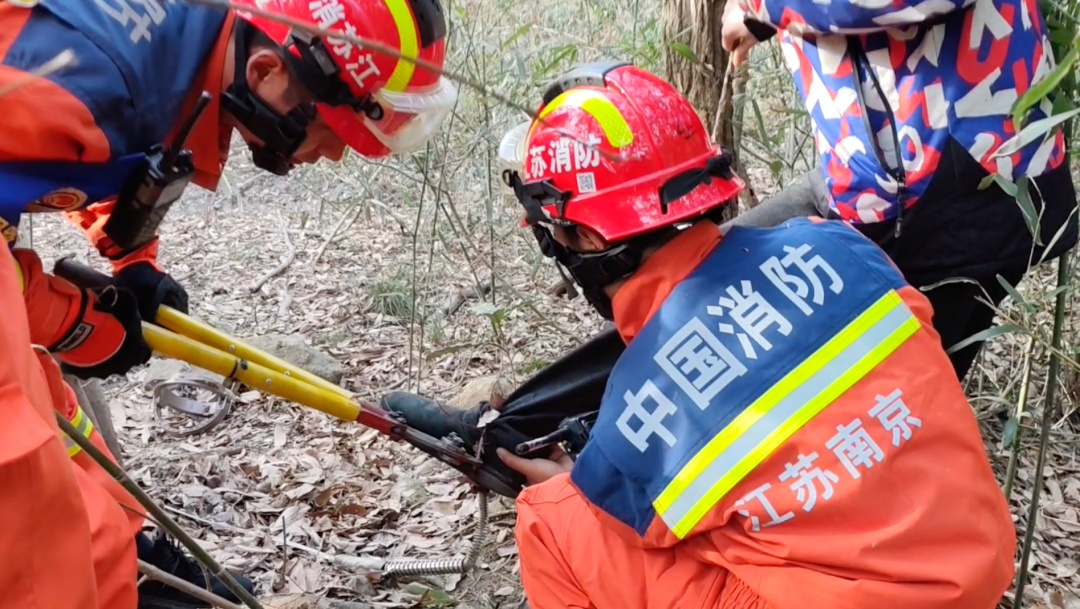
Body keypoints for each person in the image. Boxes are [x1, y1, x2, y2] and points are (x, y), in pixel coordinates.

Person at [380, 0, 1078, 496]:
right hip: (868, 180)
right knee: (693, 289)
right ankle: (520, 431)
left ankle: (611, 494)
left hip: (965, 187)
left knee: (872, 418)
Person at [492, 62, 1017, 609]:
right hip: (975, 568)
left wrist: (575, 478)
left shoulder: (642, 406)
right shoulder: (840, 248)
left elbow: (628, 518)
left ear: (580, 235)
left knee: (551, 519)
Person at [0, 0, 455, 606]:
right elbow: (72, 121)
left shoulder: (181, 49)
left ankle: (131, 563)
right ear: (266, 73)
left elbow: (72, 157)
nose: (334, 153)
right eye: (332, 130)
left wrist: (133, 262)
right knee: (28, 498)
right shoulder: (75, 86)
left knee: (69, 437)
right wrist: (73, 319)